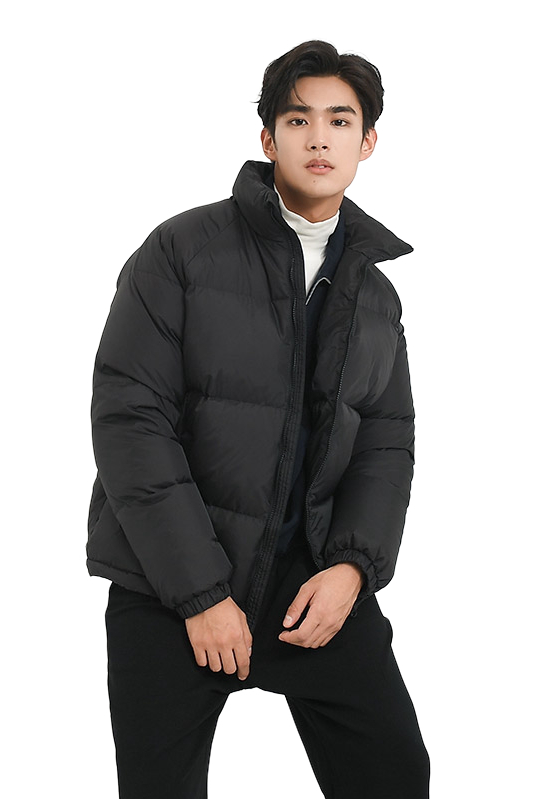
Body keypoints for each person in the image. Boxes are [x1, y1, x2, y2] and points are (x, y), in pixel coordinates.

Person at [87, 40, 431, 799]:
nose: (319, 138)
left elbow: (386, 442)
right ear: (268, 138)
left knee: (394, 774)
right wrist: (200, 595)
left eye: (340, 120)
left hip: (310, 587)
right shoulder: (182, 251)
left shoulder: (375, 295)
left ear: (368, 141)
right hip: (169, 584)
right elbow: (130, 419)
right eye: (298, 119)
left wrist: (352, 568)